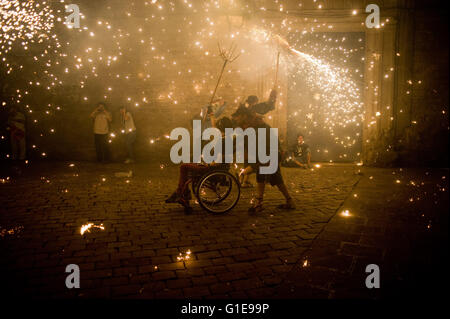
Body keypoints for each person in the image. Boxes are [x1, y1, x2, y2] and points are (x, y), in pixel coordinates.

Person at [231, 105, 295, 214]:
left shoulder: (256, 123)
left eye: (237, 117)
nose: (236, 119)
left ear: (243, 116)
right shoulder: (249, 123)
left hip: (269, 152)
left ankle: (259, 203)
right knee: (276, 177)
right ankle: (289, 201)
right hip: (267, 152)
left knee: (262, 173)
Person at [165, 116, 233, 214]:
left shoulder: (224, 141)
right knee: (187, 163)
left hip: (213, 168)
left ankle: (181, 194)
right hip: (212, 166)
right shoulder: (224, 138)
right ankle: (182, 193)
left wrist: (208, 164)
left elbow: (221, 158)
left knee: (184, 167)